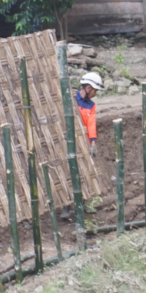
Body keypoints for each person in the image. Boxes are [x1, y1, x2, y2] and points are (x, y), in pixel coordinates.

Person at [62, 72, 104, 219]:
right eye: (95, 90)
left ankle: (84, 202)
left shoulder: (91, 105)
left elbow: (91, 124)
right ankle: (66, 206)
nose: (95, 93)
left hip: (82, 142)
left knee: (84, 172)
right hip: (68, 141)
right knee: (68, 173)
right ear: (88, 87)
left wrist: (93, 142)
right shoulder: (70, 99)